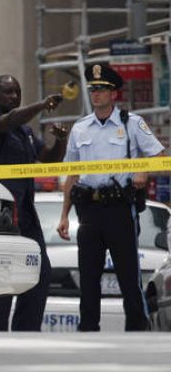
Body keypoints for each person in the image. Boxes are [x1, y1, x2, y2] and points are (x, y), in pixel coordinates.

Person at [57, 64, 164, 331]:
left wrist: (142, 170)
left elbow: (160, 159)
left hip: (119, 209)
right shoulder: (80, 129)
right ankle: (88, 331)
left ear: (113, 94)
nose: (96, 94)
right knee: (89, 278)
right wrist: (63, 216)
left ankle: (138, 330)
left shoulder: (132, 123)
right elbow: (71, 174)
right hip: (88, 211)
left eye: (102, 90)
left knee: (129, 276)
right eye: (93, 89)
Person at [0, 75, 66, 331]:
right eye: (7, 92)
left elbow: (47, 160)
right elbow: (11, 118)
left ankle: (27, 333)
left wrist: (59, 140)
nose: (14, 96)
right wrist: (41, 105)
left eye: (17, 92)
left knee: (40, 274)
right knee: (2, 280)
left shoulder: (24, 132)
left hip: (25, 213)